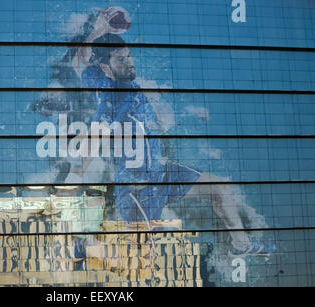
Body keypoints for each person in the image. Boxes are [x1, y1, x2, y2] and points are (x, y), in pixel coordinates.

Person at [71, 7, 275, 257]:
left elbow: (78, 60)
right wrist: (76, 173)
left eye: (129, 56)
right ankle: (85, 247)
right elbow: (95, 137)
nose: (130, 62)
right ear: (107, 67)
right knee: (139, 254)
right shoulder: (115, 99)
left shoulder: (100, 80)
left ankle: (241, 246)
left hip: (163, 173)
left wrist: (100, 29)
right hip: (141, 186)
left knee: (219, 187)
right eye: (121, 59)